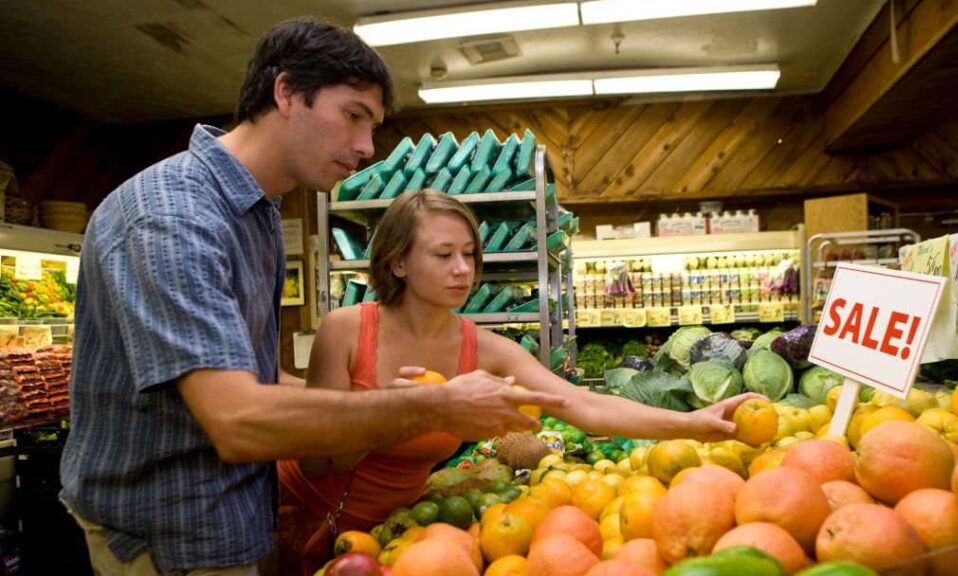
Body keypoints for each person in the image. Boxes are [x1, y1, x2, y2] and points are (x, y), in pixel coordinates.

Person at [58, 19, 564, 576]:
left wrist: (359, 391)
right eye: (353, 116)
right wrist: (428, 406)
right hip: (170, 537)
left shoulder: (256, 215)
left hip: (235, 521)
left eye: (372, 126)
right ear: (287, 92)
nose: (366, 148)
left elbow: (247, 377)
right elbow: (236, 419)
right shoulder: (175, 217)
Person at [278, 189, 761, 574]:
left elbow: (580, 404)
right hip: (310, 520)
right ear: (398, 262)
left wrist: (693, 422)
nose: (463, 269)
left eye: (469, 253)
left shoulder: (482, 350)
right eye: (443, 254)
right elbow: (317, 463)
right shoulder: (346, 330)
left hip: (405, 533)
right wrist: (389, 415)